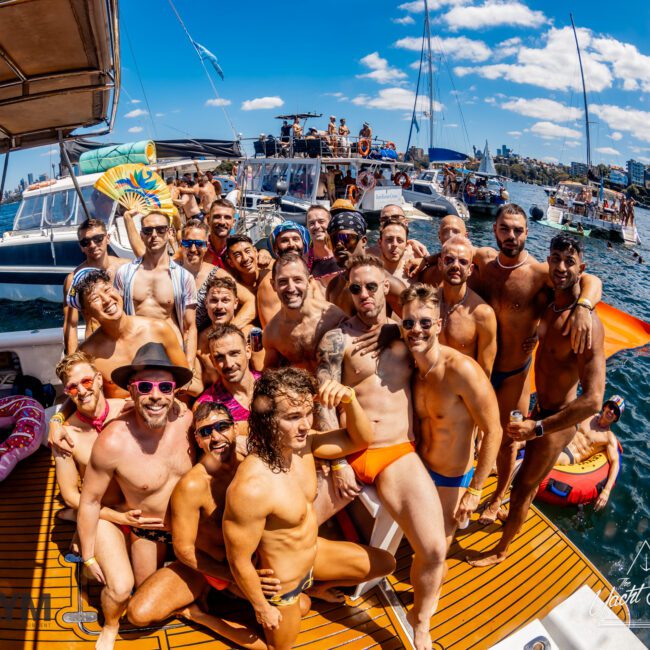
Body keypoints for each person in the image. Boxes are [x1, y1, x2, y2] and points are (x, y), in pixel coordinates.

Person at [316, 258, 447, 650]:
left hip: (394, 452)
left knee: (435, 548)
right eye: (356, 289)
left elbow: (432, 314)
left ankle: (420, 621)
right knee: (294, 526)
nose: (364, 296)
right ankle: (316, 582)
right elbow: (324, 402)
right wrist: (337, 463)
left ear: (385, 287)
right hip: (346, 445)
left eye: (372, 287)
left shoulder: (405, 331)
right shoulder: (335, 340)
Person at [223, 368, 395, 650]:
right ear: (267, 421)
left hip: (314, 554)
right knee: (280, 648)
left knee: (385, 563)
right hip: (285, 584)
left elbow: (361, 440)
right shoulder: (251, 487)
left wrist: (349, 400)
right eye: (292, 417)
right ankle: (205, 618)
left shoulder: (305, 446)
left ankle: (316, 589)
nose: (305, 425)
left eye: (307, 413)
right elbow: (238, 560)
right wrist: (261, 607)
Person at [469, 234, 605, 566]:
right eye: (555, 259)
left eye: (569, 262)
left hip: (556, 420)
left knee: (524, 489)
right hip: (539, 408)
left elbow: (593, 401)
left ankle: (501, 552)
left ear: (581, 268)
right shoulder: (550, 302)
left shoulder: (585, 325)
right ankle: (511, 516)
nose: (560, 267)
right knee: (521, 480)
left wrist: (538, 428)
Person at [126, 402, 279, 649]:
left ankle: (213, 609)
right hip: (206, 569)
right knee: (138, 614)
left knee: (298, 609)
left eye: (222, 426)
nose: (216, 437)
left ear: (235, 428)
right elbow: (184, 550)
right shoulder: (193, 486)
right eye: (206, 432)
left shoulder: (252, 467)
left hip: (248, 566)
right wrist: (233, 577)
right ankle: (198, 614)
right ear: (197, 440)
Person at [76, 344, 194, 646]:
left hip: (187, 530)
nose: (155, 395)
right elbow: (89, 501)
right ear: (132, 391)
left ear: (174, 392)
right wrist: (89, 556)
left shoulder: (187, 421)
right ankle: (111, 625)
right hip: (146, 532)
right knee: (132, 592)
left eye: (164, 387)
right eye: (145, 387)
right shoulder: (114, 441)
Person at [399, 284, 501, 553]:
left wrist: (476, 491)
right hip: (418, 468)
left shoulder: (461, 370)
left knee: (435, 554)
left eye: (424, 322)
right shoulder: (409, 366)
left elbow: (494, 431)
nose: (416, 329)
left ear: (438, 325)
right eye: (408, 322)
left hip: (450, 478)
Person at [53, 352, 136, 650]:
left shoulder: (128, 409)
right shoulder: (66, 437)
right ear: (67, 392)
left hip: (139, 505)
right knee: (122, 587)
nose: (82, 390)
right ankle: (110, 625)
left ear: (100, 380)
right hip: (104, 515)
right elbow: (72, 495)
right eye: (73, 387)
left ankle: (75, 525)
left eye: (87, 381)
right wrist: (119, 518)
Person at [114, 211, 197, 367]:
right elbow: (117, 319)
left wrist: (189, 365)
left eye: (160, 229)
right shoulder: (124, 274)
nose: (154, 235)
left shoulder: (183, 277)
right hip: (136, 348)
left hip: (170, 348)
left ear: (170, 232)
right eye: (148, 230)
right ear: (141, 235)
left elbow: (189, 327)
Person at [263, 252, 346, 373]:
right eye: (282, 282)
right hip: (301, 390)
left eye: (297, 280)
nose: (291, 288)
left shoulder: (332, 316)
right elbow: (269, 372)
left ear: (309, 281)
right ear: (273, 285)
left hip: (335, 388)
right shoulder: (272, 333)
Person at [178, 219, 256, 333]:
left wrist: (228, 331)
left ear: (206, 246)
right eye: (188, 243)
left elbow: (251, 301)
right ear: (181, 244)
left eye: (199, 244)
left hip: (201, 341)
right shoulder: (170, 269)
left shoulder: (216, 274)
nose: (193, 249)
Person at [63, 218, 129, 354]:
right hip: (96, 345)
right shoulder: (74, 280)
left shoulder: (126, 267)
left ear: (108, 238)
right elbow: (71, 324)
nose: (92, 245)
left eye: (98, 238)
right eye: (86, 242)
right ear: (81, 247)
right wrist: (72, 361)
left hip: (127, 340)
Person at [325, 211, 406, 317]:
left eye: (346, 238)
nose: (339, 245)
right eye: (334, 240)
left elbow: (414, 323)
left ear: (363, 241)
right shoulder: (333, 287)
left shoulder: (387, 284)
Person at [437, 236, 497, 376]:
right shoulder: (428, 302)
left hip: (460, 391)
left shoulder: (482, 314)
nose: (456, 266)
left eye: (463, 262)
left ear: (470, 269)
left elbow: (485, 372)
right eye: (449, 260)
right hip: (428, 386)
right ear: (440, 264)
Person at [556, 395, 624, 510]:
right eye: (611, 406)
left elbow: (615, 463)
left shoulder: (608, 437)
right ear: (605, 407)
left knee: (548, 457)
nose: (612, 411)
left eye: (616, 411)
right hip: (562, 441)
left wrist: (606, 491)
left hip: (570, 455)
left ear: (616, 418)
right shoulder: (589, 415)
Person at [196, 323, 260, 437]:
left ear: (248, 352)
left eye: (234, 353)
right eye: (219, 357)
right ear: (212, 361)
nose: (229, 364)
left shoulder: (272, 384)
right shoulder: (206, 404)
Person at [196, 275, 241, 384]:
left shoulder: (249, 334)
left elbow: (260, 372)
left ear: (235, 303)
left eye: (225, 300)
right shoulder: (201, 340)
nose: (219, 306)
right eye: (214, 300)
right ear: (206, 303)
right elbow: (202, 383)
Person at [305, 205, 340, 287]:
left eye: (321, 221)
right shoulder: (304, 262)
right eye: (312, 223)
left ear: (330, 224)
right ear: (307, 227)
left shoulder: (343, 253)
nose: (317, 226)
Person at [204, 198, 237, 268]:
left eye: (227, 217)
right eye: (217, 217)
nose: (222, 222)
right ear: (208, 220)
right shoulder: (198, 247)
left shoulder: (238, 249)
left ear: (233, 222)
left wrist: (264, 251)